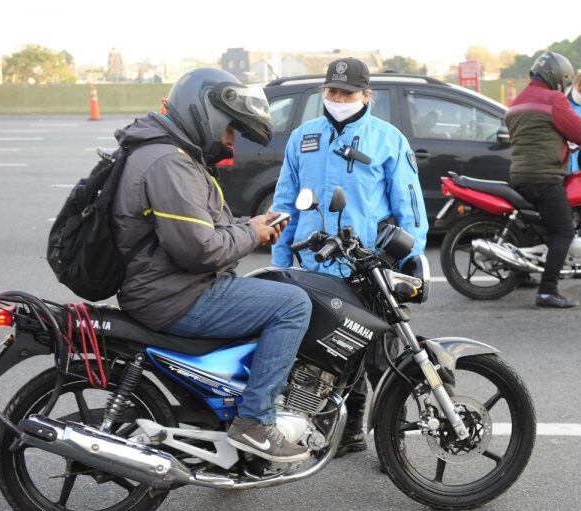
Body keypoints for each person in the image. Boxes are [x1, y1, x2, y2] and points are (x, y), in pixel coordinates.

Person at [112, 68, 312, 463]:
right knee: (293, 304)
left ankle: (224, 414)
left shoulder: (170, 153)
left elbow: (205, 227)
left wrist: (250, 225)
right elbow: (199, 251)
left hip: (167, 286)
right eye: (230, 131)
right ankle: (255, 422)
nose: (230, 142)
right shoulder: (168, 162)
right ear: (208, 113)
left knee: (269, 287)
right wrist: (253, 235)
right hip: (175, 294)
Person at [271, 57, 428, 456]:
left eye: (347, 92)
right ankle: (350, 430)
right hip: (314, 268)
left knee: (382, 361)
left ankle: (395, 441)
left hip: (366, 268)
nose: (338, 99)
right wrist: (280, 259)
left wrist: (411, 258)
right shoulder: (303, 137)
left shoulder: (387, 139)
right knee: (331, 354)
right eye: (332, 91)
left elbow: (410, 209)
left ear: (366, 95)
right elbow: (285, 203)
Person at [505, 52, 581, 309]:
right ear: (555, 76)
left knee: (536, 228)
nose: (565, 86)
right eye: (565, 79)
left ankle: (521, 274)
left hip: (520, 174)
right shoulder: (553, 100)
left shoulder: (517, 101)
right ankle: (547, 291)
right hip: (544, 176)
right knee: (564, 230)